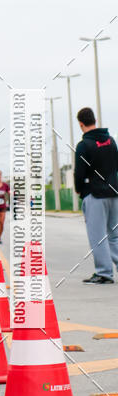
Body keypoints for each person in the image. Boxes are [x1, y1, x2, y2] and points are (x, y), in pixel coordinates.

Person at [74, 106, 118, 284]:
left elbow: (79, 172)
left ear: (81, 124)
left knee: (98, 235)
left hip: (95, 195)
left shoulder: (84, 145)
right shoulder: (111, 140)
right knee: (115, 235)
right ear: (95, 121)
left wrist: (80, 190)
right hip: (114, 192)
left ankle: (104, 273)